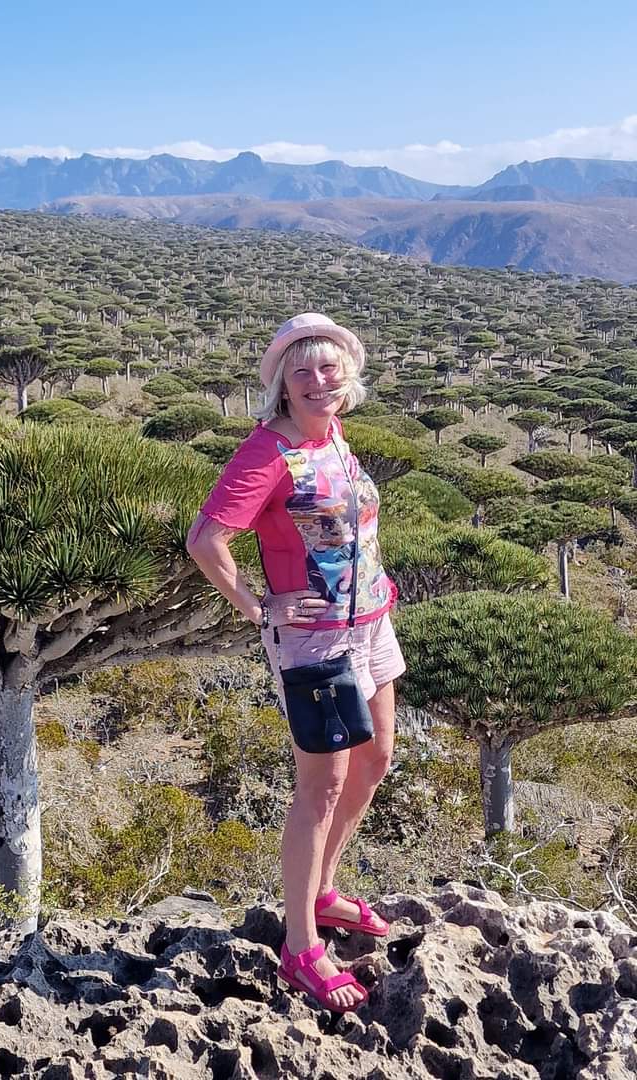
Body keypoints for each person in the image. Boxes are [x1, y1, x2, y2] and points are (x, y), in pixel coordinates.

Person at [186, 312, 405, 1013]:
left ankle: (325, 890)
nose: (318, 381)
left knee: (375, 762)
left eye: (330, 368)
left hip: (371, 624)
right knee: (323, 785)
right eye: (303, 371)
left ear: (349, 377)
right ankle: (301, 946)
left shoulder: (334, 436)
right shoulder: (266, 454)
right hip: (314, 645)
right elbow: (206, 538)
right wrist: (258, 606)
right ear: (282, 384)